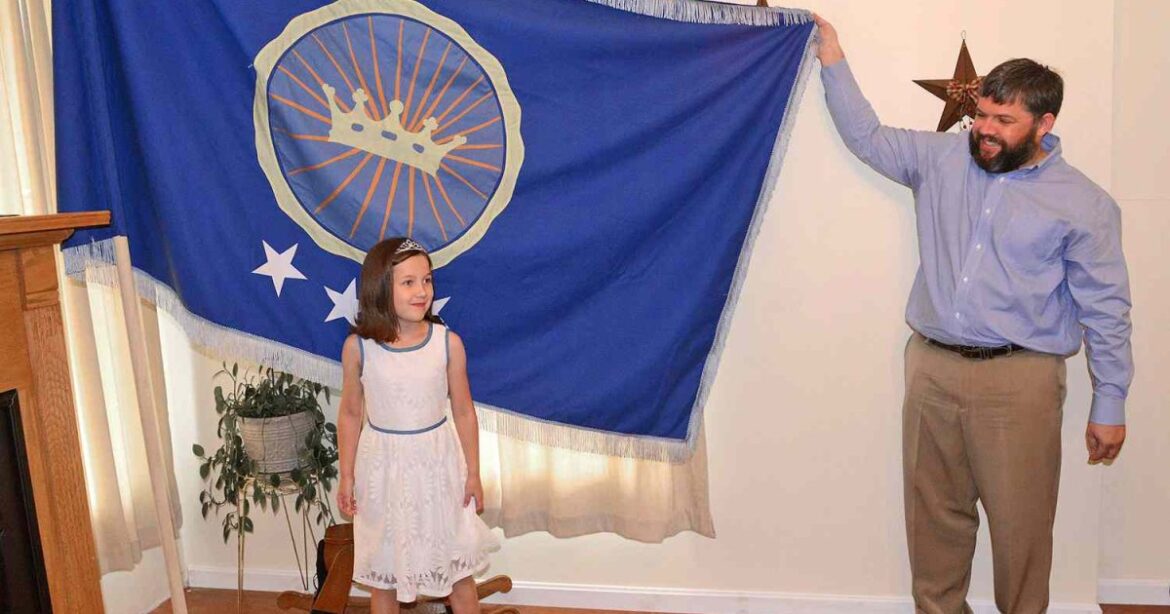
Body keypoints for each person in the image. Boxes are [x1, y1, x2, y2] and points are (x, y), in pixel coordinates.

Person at [813, 14, 1133, 614]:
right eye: (982, 114)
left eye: (1003, 121)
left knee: (1021, 528)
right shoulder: (939, 159)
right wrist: (831, 55)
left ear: (1044, 124)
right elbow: (867, 136)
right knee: (933, 522)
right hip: (931, 371)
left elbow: (1107, 309)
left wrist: (1109, 400)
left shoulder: (1084, 205)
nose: (984, 129)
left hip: (1021, 381)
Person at [336, 237, 498, 614]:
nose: (422, 291)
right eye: (408, 282)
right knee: (385, 577)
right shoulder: (359, 348)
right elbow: (350, 413)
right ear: (381, 287)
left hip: (438, 470)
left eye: (426, 280)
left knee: (458, 572)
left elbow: (463, 411)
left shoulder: (448, 344)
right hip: (382, 472)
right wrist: (346, 475)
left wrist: (473, 473)